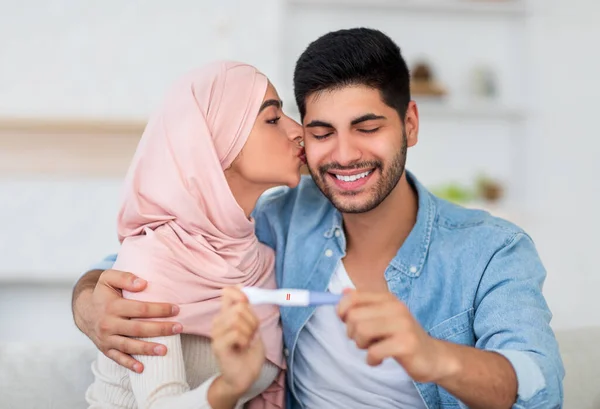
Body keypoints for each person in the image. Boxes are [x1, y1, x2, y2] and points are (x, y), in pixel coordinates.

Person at [73, 28, 564, 408]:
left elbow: (539, 384)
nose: (345, 154)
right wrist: (89, 302)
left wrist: (435, 357)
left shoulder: (492, 249)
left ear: (409, 124)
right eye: (322, 132)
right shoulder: (278, 223)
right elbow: (158, 257)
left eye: (367, 127)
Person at [82, 60, 305, 409]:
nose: (298, 131)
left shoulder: (262, 259)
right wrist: (228, 386)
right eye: (273, 119)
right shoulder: (152, 260)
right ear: (216, 141)